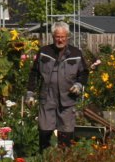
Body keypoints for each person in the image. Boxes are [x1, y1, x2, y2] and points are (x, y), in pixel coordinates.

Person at [26, 22, 93, 151]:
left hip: (67, 98)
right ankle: (45, 158)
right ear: (53, 36)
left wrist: (79, 84)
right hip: (47, 98)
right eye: (57, 37)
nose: (60, 40)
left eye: (63, 37)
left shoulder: (75, 53)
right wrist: (30, 93)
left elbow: (84, 73)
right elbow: (34, 73)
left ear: (67, 37)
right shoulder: (44, 52)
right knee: (44, 131)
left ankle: (64, 160)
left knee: (66, 133)